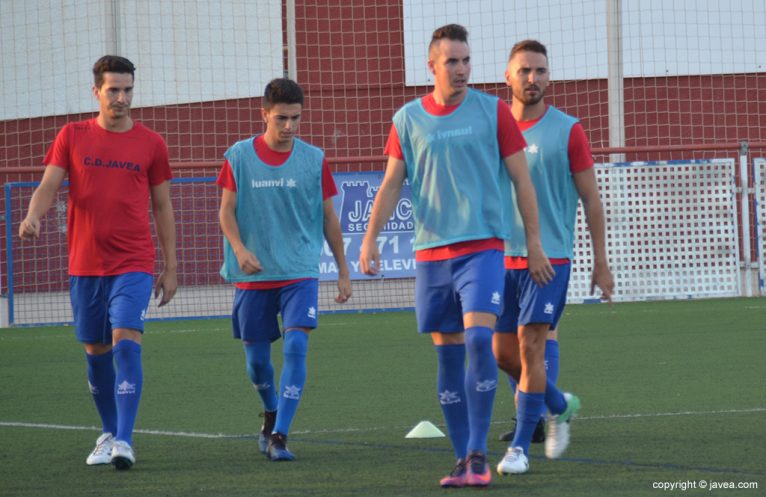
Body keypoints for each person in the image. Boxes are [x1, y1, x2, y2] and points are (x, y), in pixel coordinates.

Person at [360, 24, 552, 488]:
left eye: (467, 60)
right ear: (432, 65)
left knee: (479, 343)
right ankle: (463, 459)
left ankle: (479, 453)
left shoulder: (493, 112)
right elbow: (390, 185)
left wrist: (535, 241)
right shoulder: (407, 119)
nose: (463, 69)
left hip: (483, 249)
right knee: (447, 361)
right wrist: (369, 240)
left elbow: (522, 181)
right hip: (430, 256)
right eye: (452, 61)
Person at [18, 55, 178, 470]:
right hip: (86, 265)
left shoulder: (152, 144)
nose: (122, 98)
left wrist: (171, 265)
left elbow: (162, 207)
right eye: (114, 90)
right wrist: (33, 216)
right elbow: (49, 185)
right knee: (96, 350)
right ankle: (108, 432)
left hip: (134, 262)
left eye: (127, 90)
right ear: (97, 91)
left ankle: (124, 440)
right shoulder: (71, 136)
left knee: (127, 341)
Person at [494, 40, 615, 475]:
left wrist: (601, 262)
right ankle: (559, 405)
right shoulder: (491, 126)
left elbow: (592, 200)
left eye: (541, 70)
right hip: (497, 258)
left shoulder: (568, 130)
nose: (533, 78)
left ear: (550, 76)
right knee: (501, 353)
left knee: (532, 346)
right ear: (507, 77)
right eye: (524, 70)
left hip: (551, 259)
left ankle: (520, 448)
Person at [217, 78, 352, 462]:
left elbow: (329, 217)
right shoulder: (239, 156)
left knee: (296, 345)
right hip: (253, 273)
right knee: (256, 362)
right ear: (265, 114)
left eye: (295, 118)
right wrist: (239, 249)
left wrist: (343, 270)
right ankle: (270, 409)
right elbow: (226, 212)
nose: (289, 126)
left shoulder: (314, 159)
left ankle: (280, 434)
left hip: (300, 270)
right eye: (281, 118)